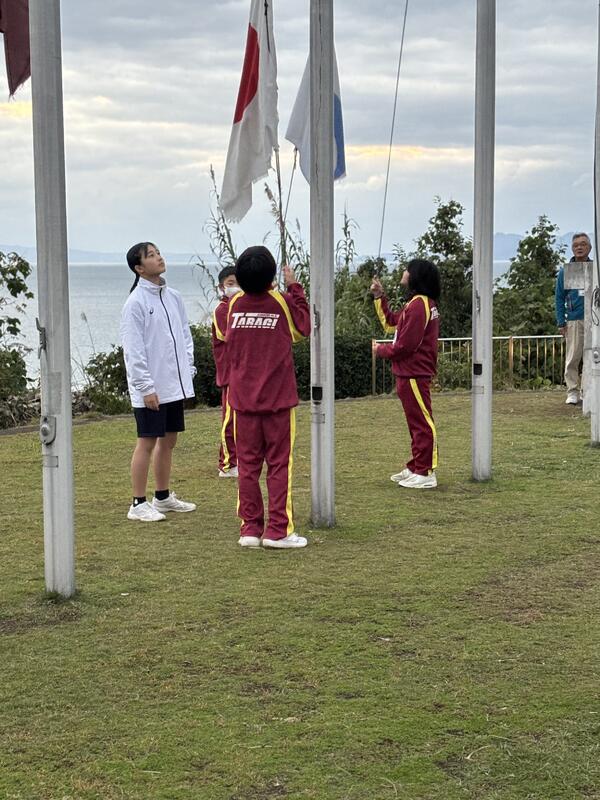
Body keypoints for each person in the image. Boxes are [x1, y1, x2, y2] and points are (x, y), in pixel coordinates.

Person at [226, 246, 310, 549]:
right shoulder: (280, 302)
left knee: (247, 467)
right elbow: (302, 329)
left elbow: (226, 335)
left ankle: (250, 528)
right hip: (277, 401)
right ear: (272, 276)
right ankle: (278, 530)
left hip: (242, 402)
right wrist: (295, 287)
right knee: (278, 465)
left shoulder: (234, 304)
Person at [120, 242, 197, 522]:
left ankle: (162, 497)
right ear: (139, 268)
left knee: (169, 440)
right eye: (151, 256)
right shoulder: (135, 303)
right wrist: (145, 387)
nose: (159, 258)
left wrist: (187, 370)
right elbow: (134, 349)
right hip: (150, 389)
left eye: (158, 253)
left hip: (173, 385)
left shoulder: (173, 296)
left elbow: (184, 337)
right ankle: (137, 503)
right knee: (147, 442)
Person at [372, 259, 440, 489]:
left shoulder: (420, 304)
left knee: (421, 422)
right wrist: (379, 297)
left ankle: (426, 471)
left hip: (414, 372)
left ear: (415, 276)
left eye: (407, 269)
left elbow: (406, 345)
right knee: (415, 423)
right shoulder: (416, 303)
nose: (403, 272)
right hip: (408, 373)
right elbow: (393, 324)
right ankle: (416, 465)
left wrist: (381, 350)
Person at [555, 232, 591, 405]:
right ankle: (572, 391)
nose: (579, 247)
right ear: (572, 248)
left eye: (583, 244)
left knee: (592, 356)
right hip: (574, 319)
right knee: (573, 356)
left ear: (589, 247)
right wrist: (561, 321)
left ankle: (587, 390)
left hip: (594, 319)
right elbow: (559, 297)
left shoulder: (595, 268)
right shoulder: (565, 271)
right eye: (576, 244)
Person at [211, 265, 240, 478]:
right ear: (221, 287)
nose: (235, 287)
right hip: (231, 374)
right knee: (230, 420)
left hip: (245, 372)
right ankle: (227, 464)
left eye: (238, 282)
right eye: (230, 283)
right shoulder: (222, 310)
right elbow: (228, 335)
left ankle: (240, 459)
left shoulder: (242, 306)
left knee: (243, 421)